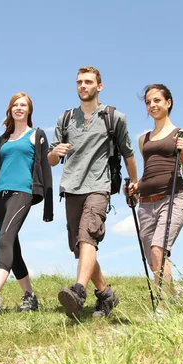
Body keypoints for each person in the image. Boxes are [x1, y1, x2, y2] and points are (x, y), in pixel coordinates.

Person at [48, 66, 138, 319]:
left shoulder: (113, 117)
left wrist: (134, 183)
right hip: (71, 187)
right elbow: (51, 160)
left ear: (100, 86)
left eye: (88, 82)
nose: (83, 86)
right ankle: (106, 295)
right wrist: (56, 153)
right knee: (80, 247)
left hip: (99, 186)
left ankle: (78, 291)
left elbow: (129, 154)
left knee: (88, 236)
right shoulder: (65, 119)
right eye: (79, 82)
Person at [0, 92, 53, 317]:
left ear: (29, 110)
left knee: (4, 239)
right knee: (13, 247)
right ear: (10, 110)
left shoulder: (36, 135)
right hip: (0, 195)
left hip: (22, 193)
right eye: (15, 105)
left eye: (24, 105)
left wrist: (47, 206)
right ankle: (30, 296)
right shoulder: (3, 139)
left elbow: (45, 168)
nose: (19, 108)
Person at [127, 84, 183, 301]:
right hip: (146, 203)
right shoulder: (143, 139)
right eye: (148, 102)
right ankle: (176, 294)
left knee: (159, 250)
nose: (152, 105)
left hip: (173, 198)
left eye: (157, 100)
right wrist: (136, 186)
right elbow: (149, 171)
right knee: (153, 259)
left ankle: (162, 310)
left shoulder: (181, 134)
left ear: (168, 102)